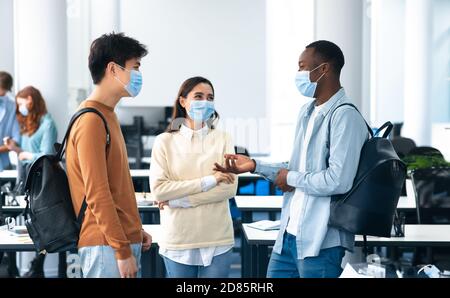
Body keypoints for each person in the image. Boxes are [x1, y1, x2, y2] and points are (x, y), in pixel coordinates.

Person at [214, 40, 369, 278]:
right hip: (289, 234)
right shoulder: (307, 112)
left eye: (302, 67)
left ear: (324, 69)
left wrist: (292, 178)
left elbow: (339, 180)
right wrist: (254, 165)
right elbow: (298, 168)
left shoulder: (345, 116)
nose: (299, 74)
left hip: (321, 241)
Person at [65, 32, 151, 278]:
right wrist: (122, 250)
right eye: (135, 67)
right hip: (106, 246)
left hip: (117, 241)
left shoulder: (107, 114)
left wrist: (135, 229)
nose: (139, 75)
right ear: (113, 69)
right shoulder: (92, 120)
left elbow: (117, 187)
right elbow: (97, 194)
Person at [150, 76, 238, 278]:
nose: (205, 102)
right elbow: (159, 190)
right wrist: (212, 180)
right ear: (183, 101)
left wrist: (179, 200)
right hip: (178, 237)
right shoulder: (164, 141)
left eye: (210, 97)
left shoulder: (223, 138)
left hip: (217, 237)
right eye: (198, 96)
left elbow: (229, 188)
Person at [3, 86, 58, 278]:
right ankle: (11, 265)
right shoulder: (29, 123)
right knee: (10, 220)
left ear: (31, 100)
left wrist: (27, 154)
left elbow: (48, 155)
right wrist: (16, 148)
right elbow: (26, 154)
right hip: (25, 179)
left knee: (40, 224)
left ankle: (38, 264)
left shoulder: (48, 124)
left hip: (40, 181)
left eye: (21, 103)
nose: (20, 107)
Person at [0, 71, 21, 277]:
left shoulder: (10, 106)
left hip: (4, 169)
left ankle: (8, 265)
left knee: (6, 216)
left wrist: (6, 147)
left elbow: (15, 140)